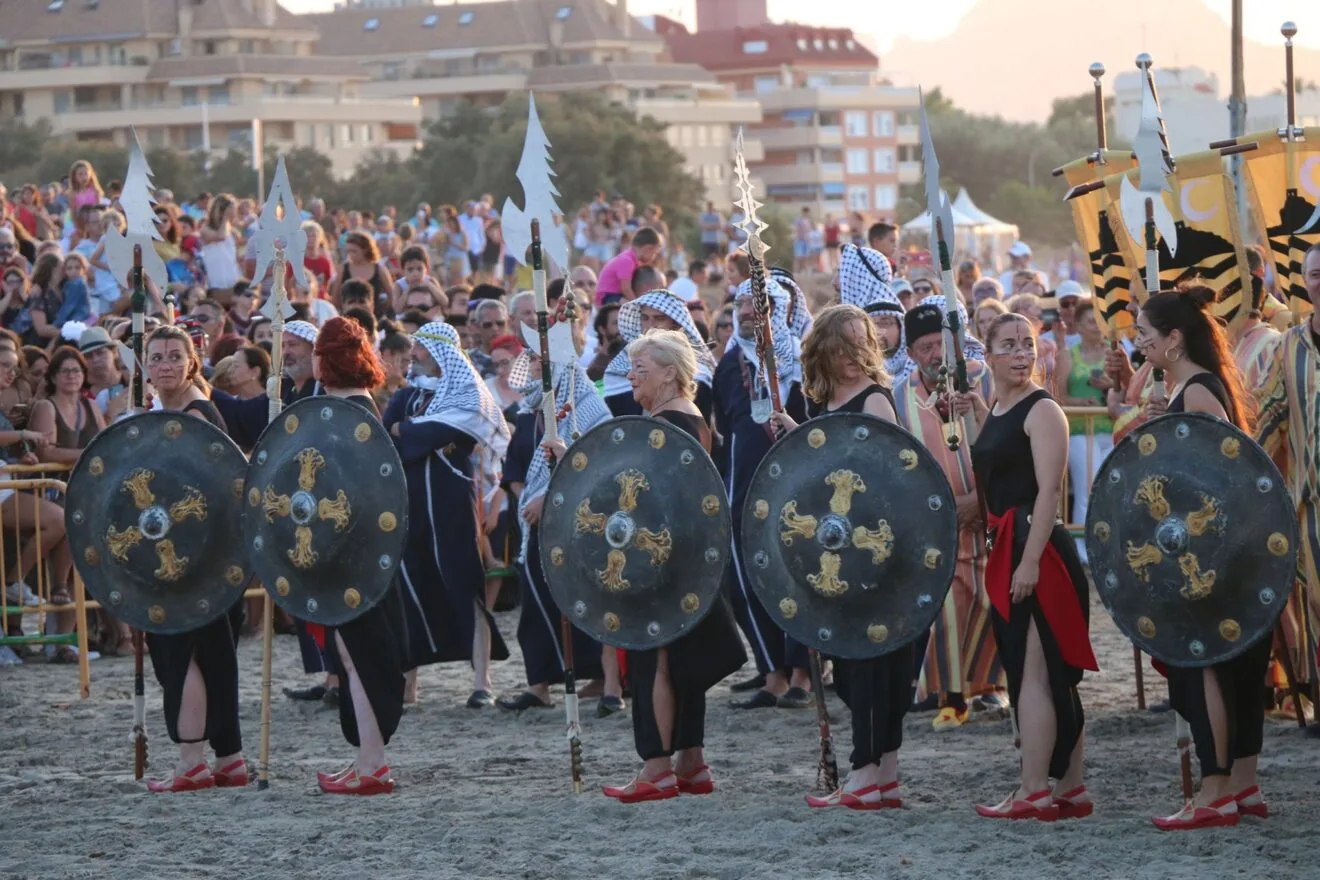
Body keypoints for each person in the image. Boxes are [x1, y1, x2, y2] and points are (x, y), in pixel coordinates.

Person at [564, 330, 746, 802]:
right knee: (679, 657)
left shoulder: (668, 424)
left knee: (654, 657)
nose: (630, 376)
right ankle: (690, 762)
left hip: (659, 563)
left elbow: (645, 496)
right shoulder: (692, 418)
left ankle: (657, 768)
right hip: (686, 562)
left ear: (670, 373)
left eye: (640, 368)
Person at [763, 306, 912, 808]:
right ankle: (883, 775)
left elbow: (888, 484)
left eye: (860, 343)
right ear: (824, 350)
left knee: (869, 666)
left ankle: (865, 775)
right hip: (838, 554)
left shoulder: (875, 402)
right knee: (857, 667)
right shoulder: (827, 401)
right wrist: (797, 431)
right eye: (842, 346)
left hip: (869, 554)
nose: (852, 355)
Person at [956, 312, 1098, 821]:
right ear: (988, 353)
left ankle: (1035, 789)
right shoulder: (999, 405)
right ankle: (1071, 789)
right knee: (1036, 673)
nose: (1021, 354)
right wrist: (975, 409)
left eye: (1028, 345)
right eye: (1009, 345)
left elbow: (1048, 493)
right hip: (1010, 546)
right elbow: (998, 461)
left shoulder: (1043, 411)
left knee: (1038, 675)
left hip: (1039, 551)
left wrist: (1032, 562)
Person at [1137, 288, 1269, 828]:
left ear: (1174, 339)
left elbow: (1223, 478)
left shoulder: (1195, 393)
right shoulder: (1191, 389)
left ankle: (1215, 792)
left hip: (1210, 552)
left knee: (1202, 663)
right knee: (1232, 668)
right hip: (1224, 551)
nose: (1139, 342)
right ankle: (1241, 787)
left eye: (1146, 333)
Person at [381, 321, 511, 708]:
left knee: (465, 581)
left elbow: (436, 435)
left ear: (440, 354)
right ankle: (408, 684)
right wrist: (411, 430)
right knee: (410, 584)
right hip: (412, 500)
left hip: (452, 499)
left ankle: (482, 680)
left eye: (420, 349)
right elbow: (392, 433)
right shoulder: (407, 397)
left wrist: (411, 431)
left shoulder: (469, 393)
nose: (413, 356)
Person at [140, 324, 247, 792]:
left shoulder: (197, 413)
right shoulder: (163, 412)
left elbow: (205, 487)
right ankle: (229, 760)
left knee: (181, 654)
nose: (164, 364)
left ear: (191, 363)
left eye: (172, 356)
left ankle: (190, 763)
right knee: (210, 654)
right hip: (198, 556)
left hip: (194, 557)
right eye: (156, 357)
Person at [892, 299, 1005, 728]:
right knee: (950, 604)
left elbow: (1003, 439)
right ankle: (951, 692)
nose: (935, 353)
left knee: (993, 598)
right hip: (938, 520)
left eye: (941, 343)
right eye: (924, 347)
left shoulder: (980, 379)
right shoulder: (899, 396)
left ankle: (993, 687)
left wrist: (981, 499)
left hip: (988, 511)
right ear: (911, 353)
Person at [310, 317, 405, 794]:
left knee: (361, 658)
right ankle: (366, 758)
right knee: (350, 657)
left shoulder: (351, 413)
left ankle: (373, 764)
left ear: (324, 359)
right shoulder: (347, 409)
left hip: (356, 557)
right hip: (352, 554)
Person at [712, 277, 813, 708]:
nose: (748, 311)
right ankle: (772, 673)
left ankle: (804, 676)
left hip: (797, 487)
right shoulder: (729, 363)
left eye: (760, 304)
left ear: (782, 308)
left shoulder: (806, 362)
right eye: (741, 304)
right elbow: (723, 426)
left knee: (799, 572)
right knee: (746, 577)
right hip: (743, 489)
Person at [498, 343, 613, 711]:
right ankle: (539, 683)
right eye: (530, 358)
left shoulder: (588, 409)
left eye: (538, 360)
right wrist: (525, 498)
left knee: (583, 598)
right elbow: (515, 464)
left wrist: (549, 499)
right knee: (535, 598)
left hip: (575, 521)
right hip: (534, 521)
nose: (530, 365)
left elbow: (593, 464)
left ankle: (601, 678)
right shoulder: (532, 408)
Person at [1054, 298, 1114, 562]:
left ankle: (1107, 545)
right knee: (1086, 486)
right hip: (1079, 429)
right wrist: (1081, 401)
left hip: (1109, 428)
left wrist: (1110, 385)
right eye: (1091, 321)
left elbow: (1131, 385)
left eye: (1099, 321)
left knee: (1109, 486)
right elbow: (1060, 394)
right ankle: (1082, 551)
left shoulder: (1114, 352)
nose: (1096, 327)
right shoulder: (1068, 354)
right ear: (1077, 325)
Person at [601, 290, 716, 421]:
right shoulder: (617, 370)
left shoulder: (697, 372)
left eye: (659, 318)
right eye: (644, 318)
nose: (650, 326)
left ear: (676, 324)